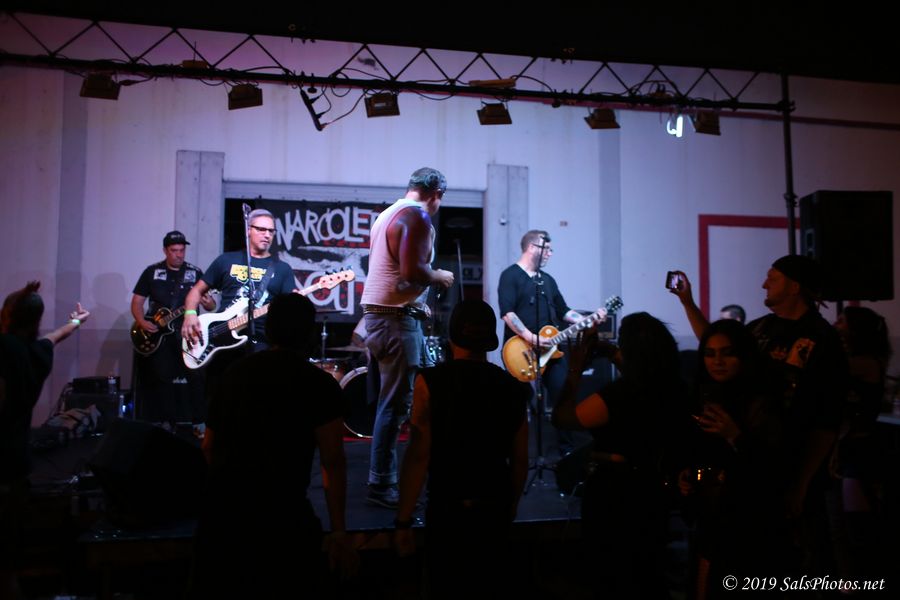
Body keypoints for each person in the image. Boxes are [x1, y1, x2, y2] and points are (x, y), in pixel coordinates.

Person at [670, 256, 848, 577]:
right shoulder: (761, 328)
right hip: (749, 460)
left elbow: (826, 422)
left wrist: (801, 483)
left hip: (791, 464)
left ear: (794, 286)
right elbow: (717, 344)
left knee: (801, 559)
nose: (765, 284)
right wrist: (688, 303)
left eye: (773, 278)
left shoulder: (821, 338)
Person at [190, 293, 356, 598]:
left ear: (268, 331)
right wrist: (339, 532)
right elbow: (333, 462)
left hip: (225, 519)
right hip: (284, 518)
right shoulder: (319, 384)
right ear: (309, 333)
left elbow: (208, 447)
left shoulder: (233, 374)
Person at [394, 299, 529, 598]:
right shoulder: (514, 388)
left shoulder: (430, 382)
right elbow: (521, 460)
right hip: (494, 510)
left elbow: (418, 456)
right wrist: (511, 506)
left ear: (452, 335)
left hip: (447, 511)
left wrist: (403, 521)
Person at [553, 312, 692, 598]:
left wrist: (575, 369)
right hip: (654, 491)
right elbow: (643, 380)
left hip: (614, 494)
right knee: (647, 572)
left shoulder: (618, 396)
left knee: (612, 574)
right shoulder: (676, 388)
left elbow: (563, 418)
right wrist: (613, 354)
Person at [360, 167, 455, 508]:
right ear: (437, 194)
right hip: (395, 322)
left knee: (408, 401)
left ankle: (401, 476)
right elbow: (412, 271)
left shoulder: (388, 214)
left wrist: (415, 302)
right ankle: (381, 484)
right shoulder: (417, 217)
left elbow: (395, 275)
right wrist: (440, 275)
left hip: (386, 316)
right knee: (396, 406)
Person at [678, 319, 786, 599]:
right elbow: (698, 449)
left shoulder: (762, 400)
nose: (718, 362)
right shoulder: (704, 393)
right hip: (710, 512)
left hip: (748, 518)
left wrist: (735, 435)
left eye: (727, 353)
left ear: (744, 355)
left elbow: (773, 466)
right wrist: (688, 474)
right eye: (710, 354)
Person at [1, 282, 90, 599]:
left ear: (7, 316)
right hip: (17, 466)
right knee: (7, 560)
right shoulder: (37, 353)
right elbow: (55, 337)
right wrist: (76, 321)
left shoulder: (5, 348)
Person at [181, 209, 297, 402]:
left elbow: (289, 309)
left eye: (271, 231)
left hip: (261, 343)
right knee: (220, 400)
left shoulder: (282, 269)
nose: (267, 235)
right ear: (248, 230)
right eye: (261, 229)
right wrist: (190, 314)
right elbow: (196, 291)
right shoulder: (226, 260)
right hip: (220, 339)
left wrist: (295, 302)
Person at [497, 230, 590, 457]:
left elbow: (564, 310)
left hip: (551, 350)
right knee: (515, 402)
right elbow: (508, 313)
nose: (550, 253)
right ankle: (510, 451)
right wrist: (532, 338)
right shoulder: (510, 276)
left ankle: (567, 452)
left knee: (564, 396)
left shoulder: (547, 280)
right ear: (532, 248)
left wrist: (587, 320)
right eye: (546, 248)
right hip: (520, 350)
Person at [131, 231, 215, 434]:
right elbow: (137, 302)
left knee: (197, 376)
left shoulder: (195, 273)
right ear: (165, 251)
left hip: (188, 332)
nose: (179, 255)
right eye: (174, 250)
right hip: (160, 336)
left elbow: (211, 306)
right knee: (162, 378)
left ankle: (199, 422)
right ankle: (167, 422)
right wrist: (142, 321)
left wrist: (208, 302)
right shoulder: (152, 272)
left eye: (182, 250)